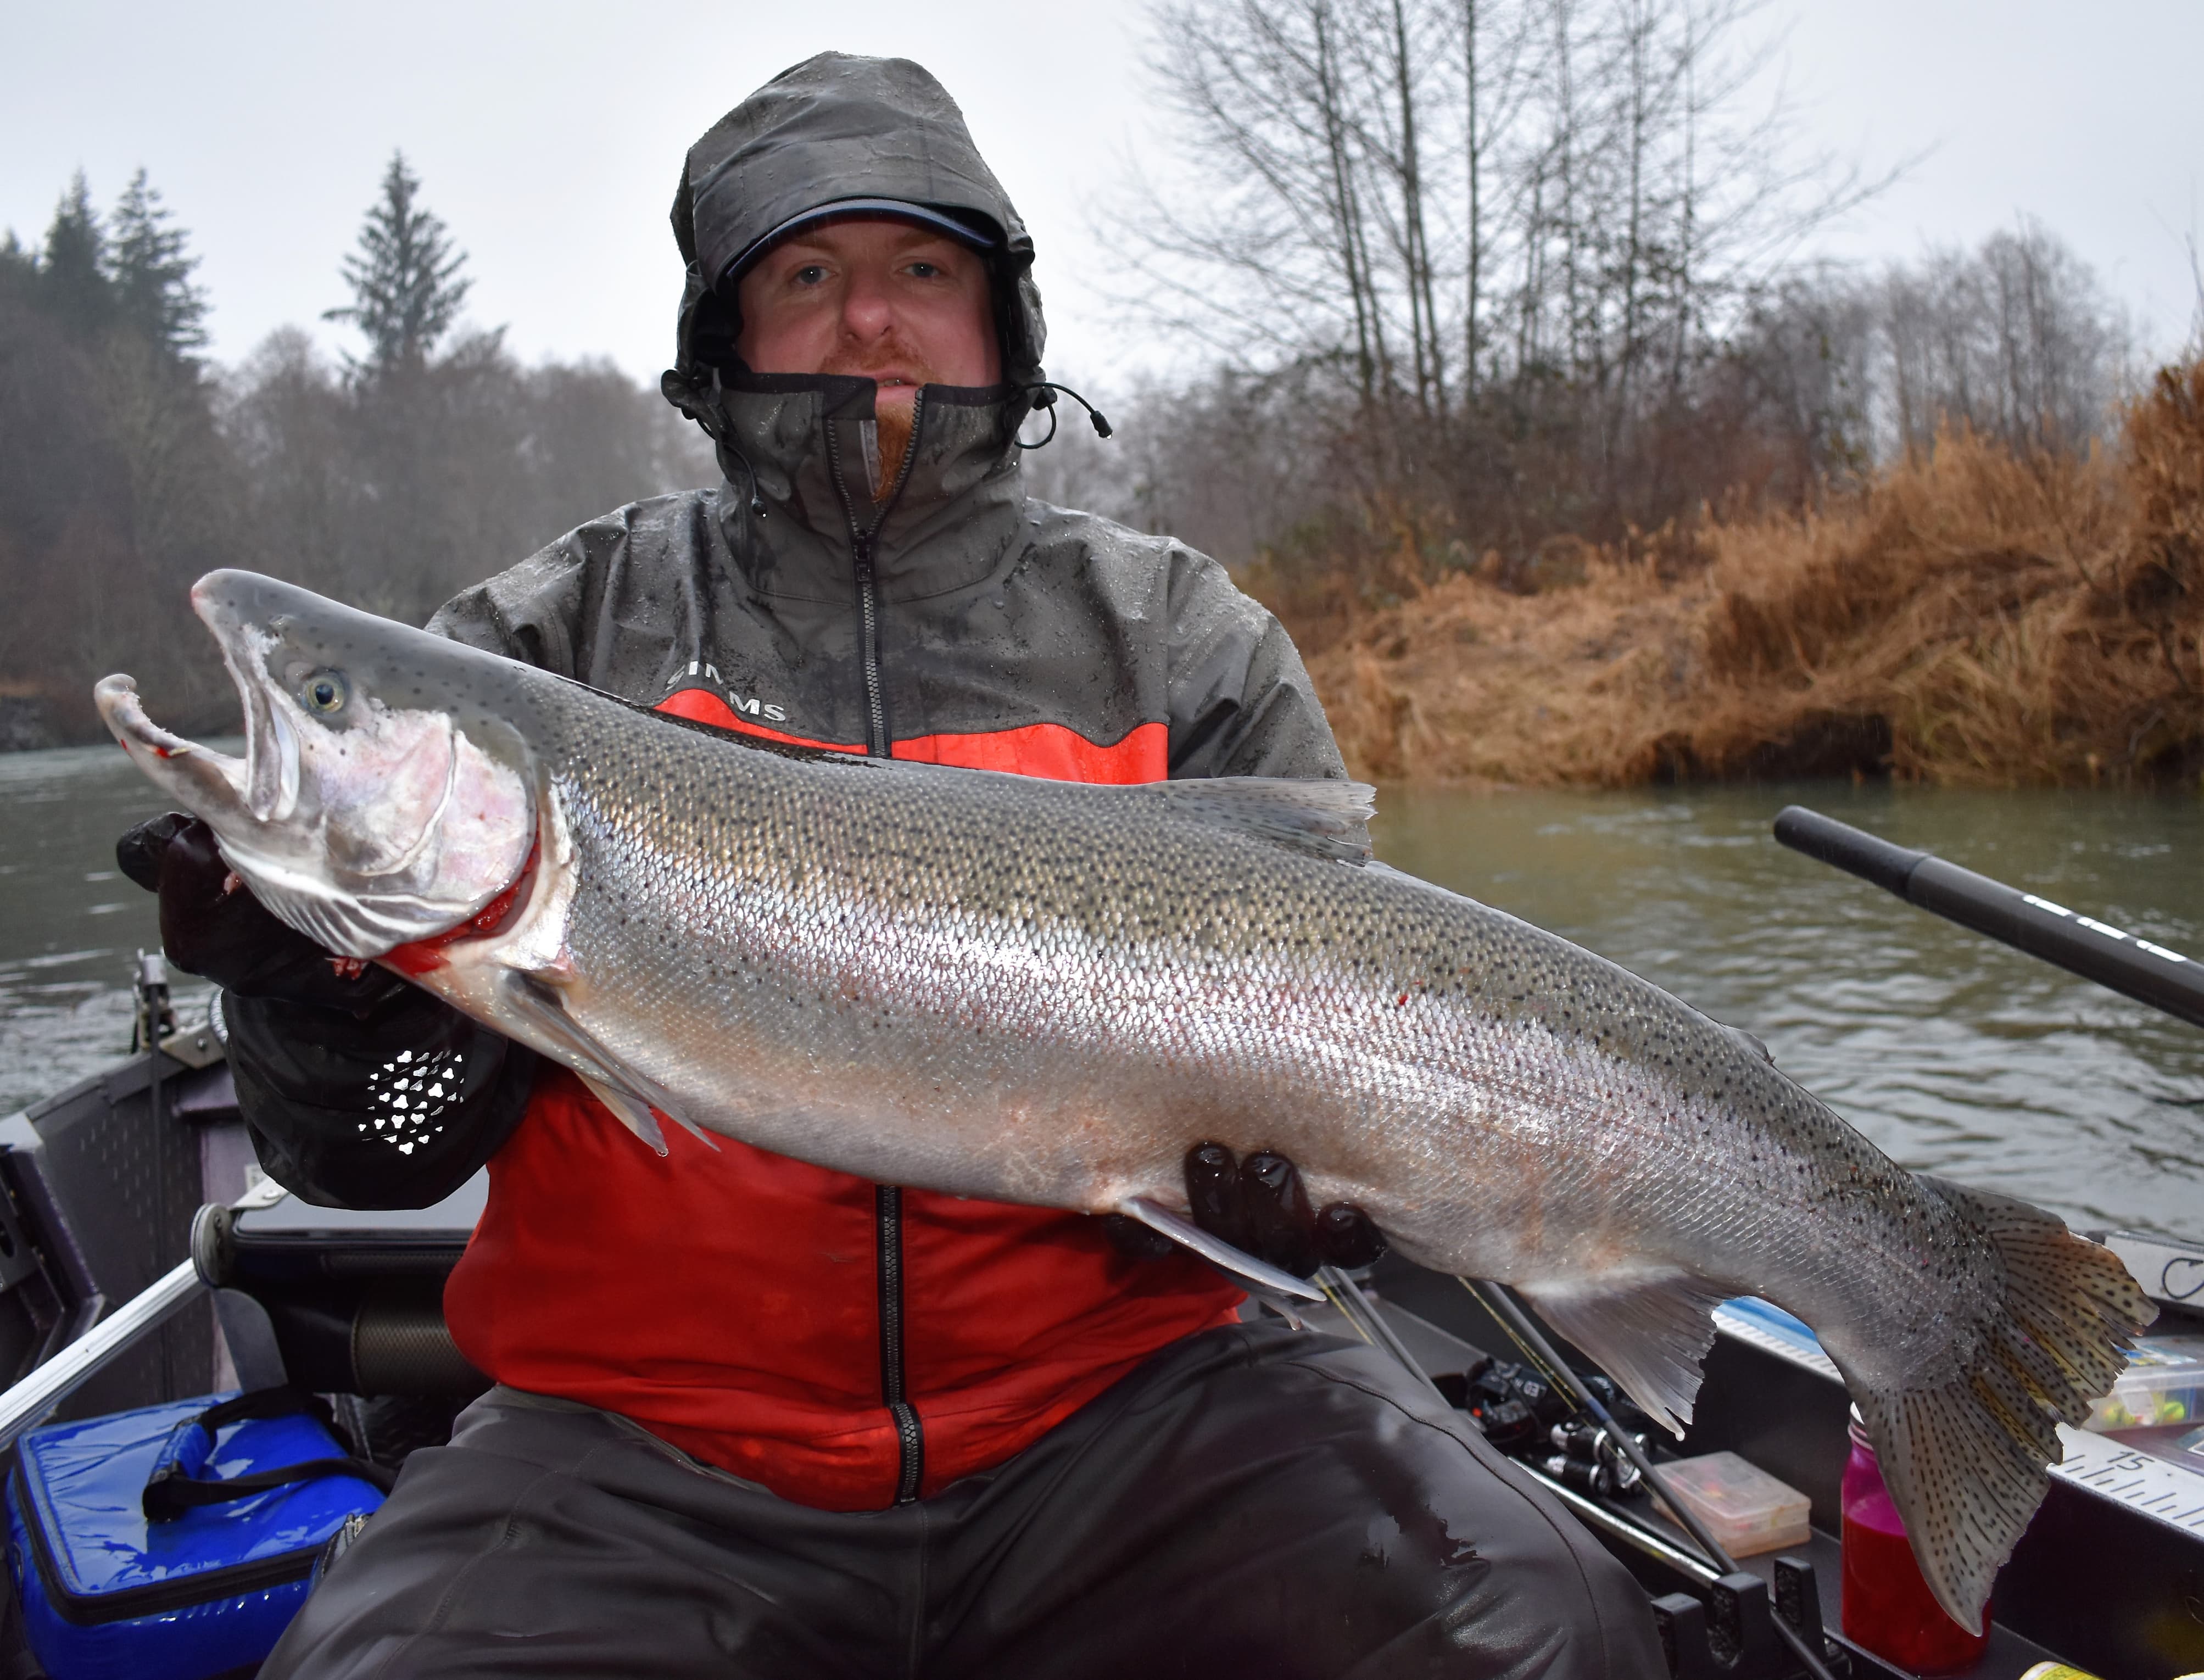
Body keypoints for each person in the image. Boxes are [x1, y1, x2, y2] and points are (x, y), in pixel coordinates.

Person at [125, 52, 1663, 1679]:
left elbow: (1360, 1050)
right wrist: (305, 981)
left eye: (921, 268)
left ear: (1000, 314)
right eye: (808, 276)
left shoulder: (1179, 640)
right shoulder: (555, 638)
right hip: (641, 1460)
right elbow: (375, 1166)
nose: (872, 321)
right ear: (728, 344)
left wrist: (1329, 1211)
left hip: (1141, 1417)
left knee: (1542, 1630)